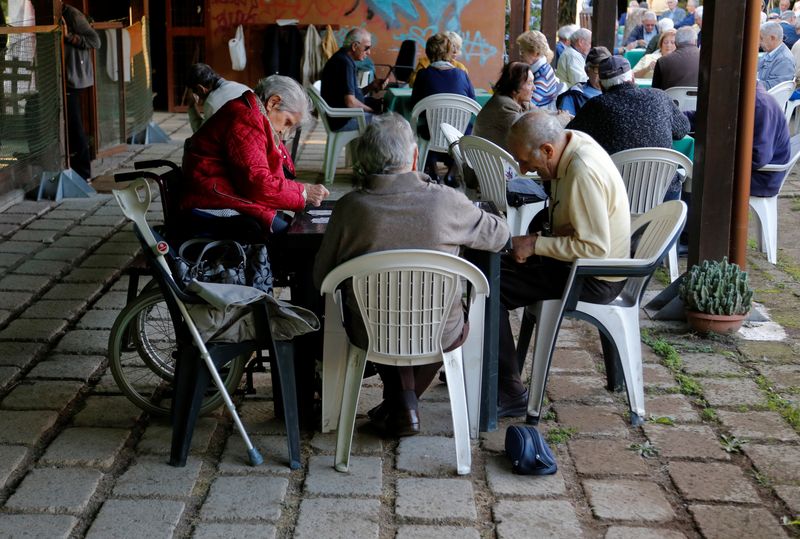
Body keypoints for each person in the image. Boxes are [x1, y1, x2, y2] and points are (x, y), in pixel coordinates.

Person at [312, 113, 510, 436]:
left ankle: (401, 403)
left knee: (384, 308)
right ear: (415, 156)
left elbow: (322, 279)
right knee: (432, 313)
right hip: (438, 331)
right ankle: (404, 403)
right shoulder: (447, 202)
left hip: (370, 331)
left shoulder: (349, 208)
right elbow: (499, 236)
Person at [497, 110, 631, 416]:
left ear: (547, 150)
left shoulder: (582, 169)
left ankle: (509, 391)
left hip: (595, 276)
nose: (523, 169)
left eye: (526, 162)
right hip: (581, 264)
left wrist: (535, 245)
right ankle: (493, 366)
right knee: (494, 268)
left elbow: (595, 248)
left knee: (493, 286)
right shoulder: (572, 142)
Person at [181, 75, 330, 235]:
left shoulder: (250, 112)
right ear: (273, 102)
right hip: (212, 199)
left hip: (221, 190)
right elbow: (257, 183)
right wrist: (302, 192)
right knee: (291, 235)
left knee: (293, 226)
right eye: (287, 122)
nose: (284, 131)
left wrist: (298, 191)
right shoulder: (246, 118)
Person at [567, 55, 690, 200]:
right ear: (632, 77)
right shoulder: (660, 97)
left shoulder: (596, 106)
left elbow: (571, 139)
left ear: (600, 85)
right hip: (663, 194)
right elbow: (682, 129)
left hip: (616, 196)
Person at [410, 32, 475, 149]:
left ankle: (430, 162)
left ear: (427, 52)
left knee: (425, 124)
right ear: (450, 52)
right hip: (460, 133)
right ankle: (455, 164)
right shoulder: (462, 74)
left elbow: (414, 104)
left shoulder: (422, 75)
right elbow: (472, 104)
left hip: (431, 132)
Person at [59, 0, 100, 181]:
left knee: (75, 126)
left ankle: (84, 173)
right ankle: (73, 166)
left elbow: (95, 41)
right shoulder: (51, 15)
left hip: (74, 79)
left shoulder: (72, 15)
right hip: (63, 77)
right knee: (68, 125)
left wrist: (69, 37)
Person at [320, 28, 385, 131]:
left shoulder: (343, 58)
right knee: (386, 121)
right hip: (343, 120)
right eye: (367, 48)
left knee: (381, 104)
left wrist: (371, 86)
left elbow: (352, 96)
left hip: (343, 115)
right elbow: (350, 103)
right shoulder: (344, 63)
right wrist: (372, 111)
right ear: (355, 46)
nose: (369, 52)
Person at [474, 62, 533, 151]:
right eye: (529, 83)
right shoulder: (505, 105)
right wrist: (560, 117)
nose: (534, 88)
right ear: (515, 87)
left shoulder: (519, 101)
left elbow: (543, 113)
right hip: (490, 162)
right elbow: (531, 133)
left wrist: (560, 116)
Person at [752, 81, 791, 197]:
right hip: (756, 170)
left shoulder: (760, 104)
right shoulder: (748, 97)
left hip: (761, 177)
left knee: (703, 174)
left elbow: (758, 158)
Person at [185, 63, 250, 132]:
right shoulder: (243, 87)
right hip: (259, 138)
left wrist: (192, 107)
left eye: (196, 93)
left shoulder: (211, 103)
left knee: (189, 142)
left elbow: (200, 134)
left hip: (243, 140)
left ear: (201, 89)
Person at [556, 46, 610, 115]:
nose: (603, 73)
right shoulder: (574, 96)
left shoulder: (616, 92)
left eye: (607, 68)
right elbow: (565, 122)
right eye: (598, 69)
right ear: (587, 70)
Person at [516, 30, 559, 108]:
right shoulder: (539, 68)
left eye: (523, 51)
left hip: (540, 115)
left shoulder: (542, 74)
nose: (520, 54)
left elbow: (529, 103)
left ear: (536, 53)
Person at [758, 21, 796, 90]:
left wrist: (751, 82)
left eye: (761, 38)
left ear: (772, 38)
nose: (759, 42)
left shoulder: (784, 60)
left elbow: (774, 88)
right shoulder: (771, 52)